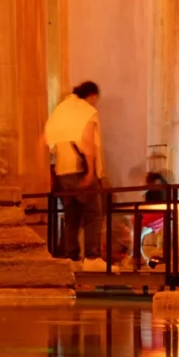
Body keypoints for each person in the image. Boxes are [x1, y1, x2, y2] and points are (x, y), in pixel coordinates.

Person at [43, 80, 109, 268]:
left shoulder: (61, 110)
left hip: (62, 172)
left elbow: (45, 140)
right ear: (93, 96)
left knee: (71, 217)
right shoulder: (85, 111)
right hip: (80, 170)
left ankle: (71, 258)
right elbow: (87, 140)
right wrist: (90, 171)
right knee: (94, 214)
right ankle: (92, 257)